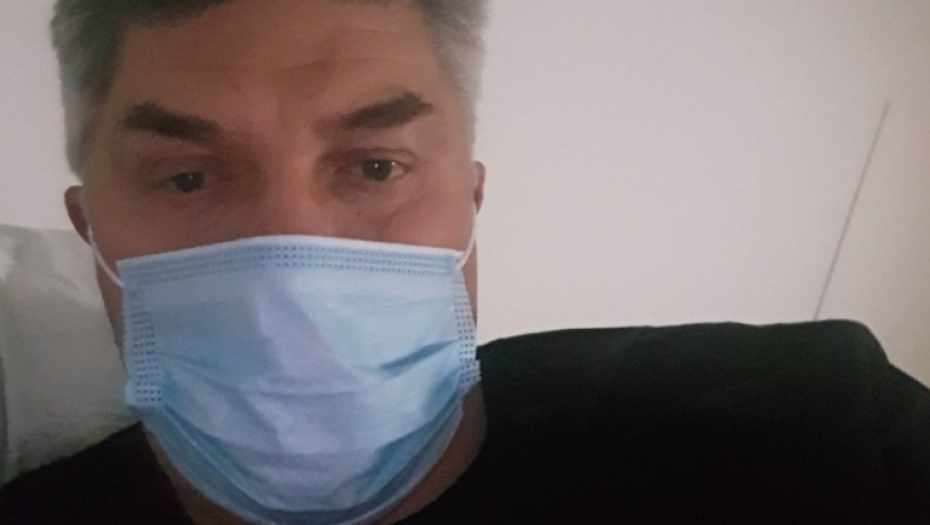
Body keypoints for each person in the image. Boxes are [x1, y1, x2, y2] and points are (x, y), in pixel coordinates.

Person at [1, 1, 928, 524]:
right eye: (188, 177)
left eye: (375, 166)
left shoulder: (815, 433)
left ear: (470, 198)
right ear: (88, 228)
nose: (292, 256)